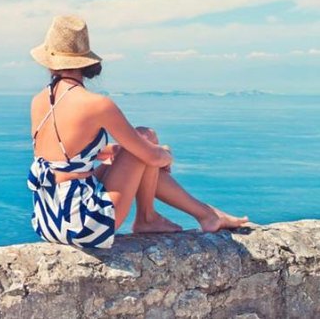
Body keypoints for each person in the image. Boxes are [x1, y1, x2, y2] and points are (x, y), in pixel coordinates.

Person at [27, 15, 249, 249]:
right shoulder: (96, 104)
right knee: (146, 137)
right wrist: (164, 155)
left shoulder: (39, 101)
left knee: (140, 148)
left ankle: (202, 215)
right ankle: (152, 217)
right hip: (83, 225)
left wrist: (113, 151)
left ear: (50, 62)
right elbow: (151, 156)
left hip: (49, 219)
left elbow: (64, 155)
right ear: (84, 61)